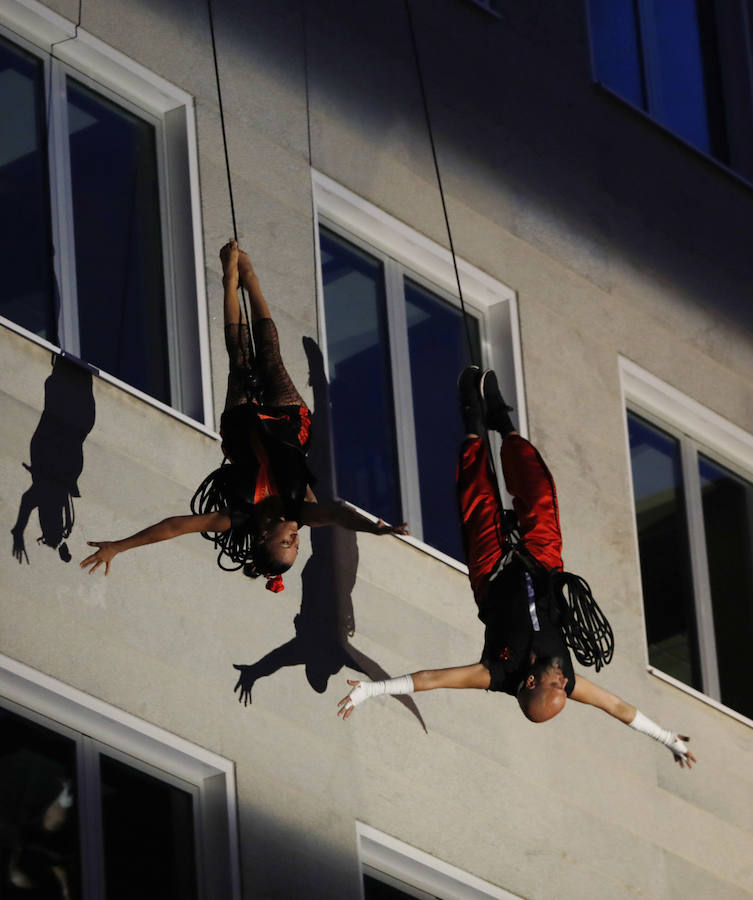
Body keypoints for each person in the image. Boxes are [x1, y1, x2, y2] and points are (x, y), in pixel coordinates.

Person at [337, 368, 696, 768]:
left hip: (491, 571)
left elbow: (431, 679)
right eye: (563, 685)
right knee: (540, 492)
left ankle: (473, 423)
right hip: (542, 565)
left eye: (555, 684)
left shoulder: (498, 674)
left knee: (477, 494)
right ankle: (503, 423)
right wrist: (667, 738)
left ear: (530, 683)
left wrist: (370, 692)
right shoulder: (566, 678)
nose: (563, 679)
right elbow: (616, 706)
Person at [80, 240, 406, 591]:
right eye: (297, 546)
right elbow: (338, 514)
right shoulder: (302, 513)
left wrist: (119, 546)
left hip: (242, 424)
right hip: (288, 424)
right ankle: (250, 280)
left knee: (239, 355)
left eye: (286, 544)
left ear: (264, 537)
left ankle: (229, 280)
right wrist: (375, 527)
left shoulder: (234, 518)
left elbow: (174, 526)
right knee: (269, 355)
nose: (295, 540)